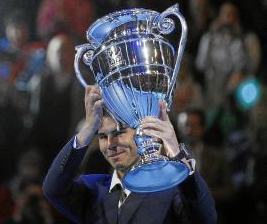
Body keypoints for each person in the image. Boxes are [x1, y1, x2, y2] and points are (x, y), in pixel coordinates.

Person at [42, 85, 217, 223]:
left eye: (119, 133)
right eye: (103, 136)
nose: (110, 144)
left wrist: (175, 152)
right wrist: (88, 128)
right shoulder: (94, 190)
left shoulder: (170, 188)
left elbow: (204, 218)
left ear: (145, 133)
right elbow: (52, 188)